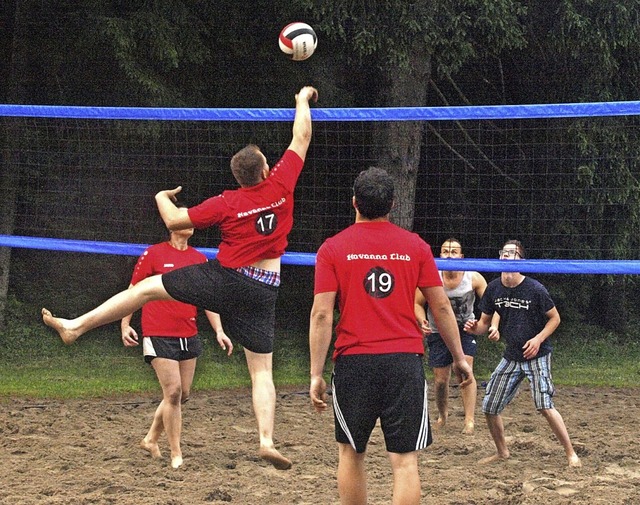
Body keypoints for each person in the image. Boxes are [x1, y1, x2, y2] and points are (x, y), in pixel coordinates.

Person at [42, 85, 319, 471]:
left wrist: (160, 196)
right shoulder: (282, 183)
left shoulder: (226, 202)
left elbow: (173, 220)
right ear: (266, 169)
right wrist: (301, 101)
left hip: (225, 279)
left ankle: (76, 325)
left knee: (145, 290)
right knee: (261, 370)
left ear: (238, 177)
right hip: (264, 289)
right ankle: (266, 439)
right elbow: (301, 135)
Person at [309, 167, 474, 505]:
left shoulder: (333, 248)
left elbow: (322, 313)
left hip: (354, 362)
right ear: (393, 205)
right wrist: (459, 357)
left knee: (351, 453)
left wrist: (315, 373)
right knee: (404, 461)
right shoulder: (414, 246)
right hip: (404, 362)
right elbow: (440, 307)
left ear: (354, 202)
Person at [121, 218, 233, 469]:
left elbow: (208, 300)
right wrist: (125, 323)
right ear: (171, 226)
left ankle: (151, 438)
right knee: (172, 392)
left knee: (182, 395)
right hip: (157, 331)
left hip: (188, 332)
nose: (189, 222)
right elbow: (133, 290)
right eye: (181, 218)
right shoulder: (154, 253)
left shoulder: (199, 259)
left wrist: (219, 330)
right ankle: (176, 454)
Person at [464, 239, 582, 467]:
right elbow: (483, 324)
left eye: (512, 253)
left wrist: (538, 339)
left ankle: (570, 453)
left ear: (521, 260)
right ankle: (502, 452)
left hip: (536, 355)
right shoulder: (494, 288)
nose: (506, 256)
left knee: (544, 405)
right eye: (504, 253)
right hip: (511, 356)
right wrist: (474, 328)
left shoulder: (535, 289)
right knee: (489, 406)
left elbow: (555, 318)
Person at [414, 237, 498, 435]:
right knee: (441, 380)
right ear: (440, 255)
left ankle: (469, 420)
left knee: (465, 370)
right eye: (445, 251)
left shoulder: (473, 277)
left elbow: (492, 304)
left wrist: (485, 324)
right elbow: (417, 303)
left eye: (453, 252)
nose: (449, 255)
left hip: (464, 329)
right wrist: (421, 321)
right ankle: (443, 415)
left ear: (461, 256)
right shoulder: (431, 275)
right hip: (437, 330)